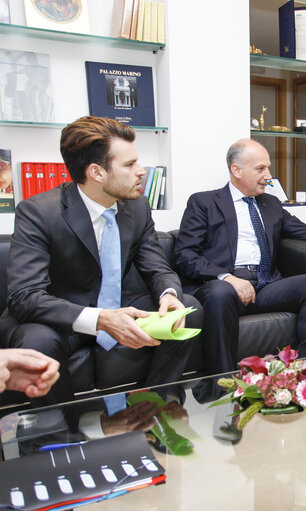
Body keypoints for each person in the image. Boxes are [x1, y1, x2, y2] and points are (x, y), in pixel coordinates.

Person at [0, 116, 202, 406]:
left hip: (116, 306)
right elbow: (24, 297)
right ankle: (61, 437)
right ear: (96, 172)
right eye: (129, 165)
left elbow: (156, 266)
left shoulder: (137, 207)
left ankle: (153, 407)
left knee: (190, 309)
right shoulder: (38, 212)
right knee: (37, 344)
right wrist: (102, 319)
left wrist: (169, 294)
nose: (141, 171)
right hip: (59, 316)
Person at [174, 139, 306, 376]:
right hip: (224, 285)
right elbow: (185, 254)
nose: (268, 175)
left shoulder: (270, 203)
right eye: (260, 169)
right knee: (220, 292)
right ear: (236, 170)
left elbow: (300, 229)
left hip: (265, 284)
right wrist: (227, 278)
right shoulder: (204, 202)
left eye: (268, 167)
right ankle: (222, 383)